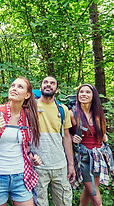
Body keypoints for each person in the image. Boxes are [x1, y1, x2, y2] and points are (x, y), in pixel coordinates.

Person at [0, 77, 42, 206]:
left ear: (27, 95)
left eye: (20, 87)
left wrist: (33, 157)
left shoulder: (28, 117)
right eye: (12, 85)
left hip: (21, 176)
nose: (14, 88)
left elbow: (25, 147)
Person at [69, 83, 114, 206]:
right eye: (81, 92)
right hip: (84, 158)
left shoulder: (98, 114)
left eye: (87, 92)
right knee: (95, 196)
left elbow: (103, 135)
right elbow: (61, 134)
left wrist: (104, 138)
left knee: (89, 189)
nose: (84, 94)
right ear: (77, 95)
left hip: (98, 157)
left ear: (93, 96)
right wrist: (71, 137)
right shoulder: (72, 114)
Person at [31, 76, 75, 206]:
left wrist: (71, 165)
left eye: (52, 83)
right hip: (38, 166)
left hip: (60, 165)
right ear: (40, 87)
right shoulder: (31, 108)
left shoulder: (63, 109)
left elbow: (66, 137)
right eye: (45, 82)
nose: (48, 85)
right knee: (39, 203)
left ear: (57, 90)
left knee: (64, 202)